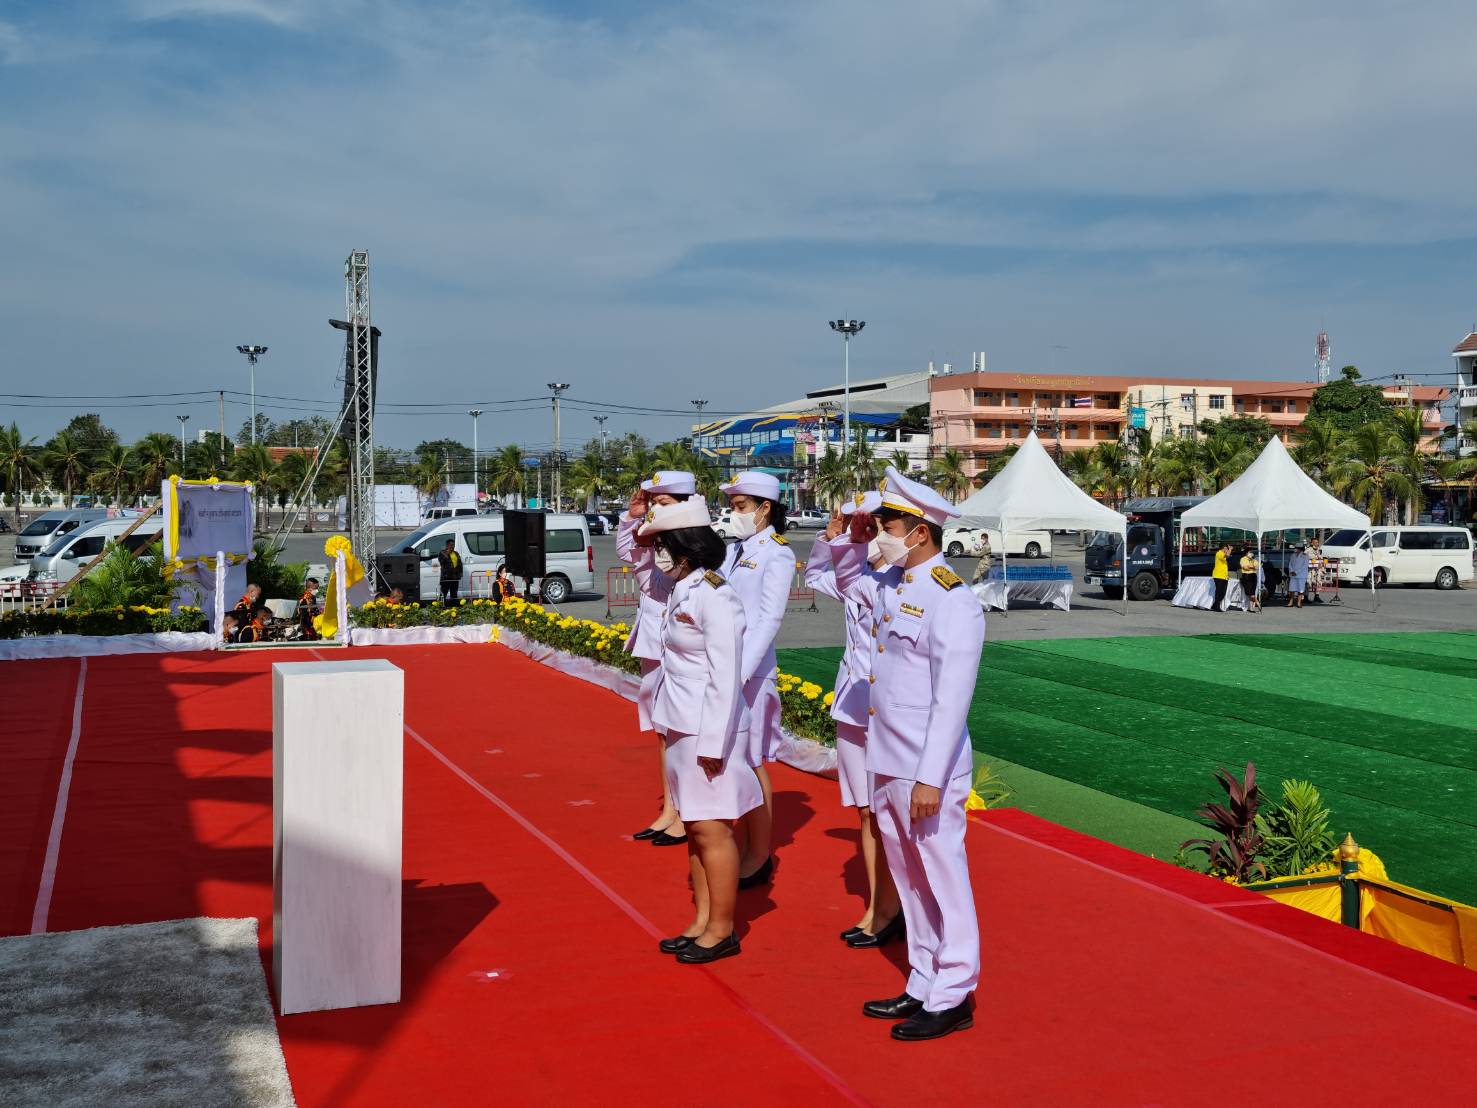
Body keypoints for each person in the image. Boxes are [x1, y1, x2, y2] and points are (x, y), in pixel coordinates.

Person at [823, 466, 985, 1041]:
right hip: (886, 757)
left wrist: (931, 777)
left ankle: (955, 989)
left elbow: (951, 699)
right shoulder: (888, 584)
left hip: (925, 767)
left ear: (920, 531)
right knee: (908, 876)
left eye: (887, 523)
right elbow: (844, 579)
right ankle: (923, 978)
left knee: (942, 875)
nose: (879, 534)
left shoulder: (953, 600)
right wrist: (850, 532)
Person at [636, 495, 759, 965]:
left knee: (713, 830)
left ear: (686, 545)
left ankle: (723, 929)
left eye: (664, 544)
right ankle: (703, 919)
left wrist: (714, 743)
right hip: (680, 722)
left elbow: (726, 676)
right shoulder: (684, 588)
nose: (658, 554)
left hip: (710, 729)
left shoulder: (715, 594)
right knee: (695, 828)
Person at [805, 490, 902, 948]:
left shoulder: (907, 580)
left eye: (867, 524)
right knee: (865, 810)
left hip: (889, 707)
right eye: (855, 524)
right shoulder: (855, 573)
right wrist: (829, 539)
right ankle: (877, 906)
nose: (860, 532)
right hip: (852, 701)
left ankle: (897, 904)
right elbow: (815, 574)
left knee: (890, 813)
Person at [717, 470, 796, 888]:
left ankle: (760, 853)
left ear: (765, 508)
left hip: (751, 672)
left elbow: (769, 619)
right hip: (728, 668)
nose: (735, 513)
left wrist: (742, 670)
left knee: (753, 759)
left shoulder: (776, 553)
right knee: (735, 758)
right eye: (733, 506)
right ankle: (747, 842)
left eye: (741, 506)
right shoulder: (735, 551)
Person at [618, 470, 699, 846]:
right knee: (662, 729)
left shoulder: (694, 541)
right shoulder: (656, 538)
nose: (654, 510)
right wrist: (631, 517)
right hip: (654, 641)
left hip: (681, 647)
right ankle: (671, 807)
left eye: (662, 504)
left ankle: (688, 811)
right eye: (653, 503)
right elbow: (627, 552)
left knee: (683, 731)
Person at [431, 538, 462, 604]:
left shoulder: (456, 553)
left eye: (453, 545)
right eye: (451, 545)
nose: (452, 546)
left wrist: (460, 574)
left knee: (454, 592)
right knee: (443, 592)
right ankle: (441, 605)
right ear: (447, 546)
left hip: (455, 577)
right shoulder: (442, 553)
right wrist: (447, 554)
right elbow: (441, 562)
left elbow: (460, 564)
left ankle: (453, 605)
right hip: (446, 577)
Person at [1287, 544, 1310, 608]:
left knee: (1301, 589)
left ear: (1300, 549)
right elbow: (1290, 564)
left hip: (1301, 575)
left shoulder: (1305, 556)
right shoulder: (1293, 555)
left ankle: (1299, 603)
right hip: (1293, 575)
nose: (1295, 549)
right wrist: (1291, 571)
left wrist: (1296, 572)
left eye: (1297, 548)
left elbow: (1304, 566)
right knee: (1292, 589)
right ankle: (1291, 602)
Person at [1211, 542, 1231, 612]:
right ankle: (1217, 607)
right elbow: (1228, 555)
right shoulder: (1219, 553)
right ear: (1223, 548)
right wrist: (1230, 549)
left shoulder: (1224, 554)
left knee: (1223, 592)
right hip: (1218, 576)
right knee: (1219, 592)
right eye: (1226, 548)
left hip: (1224, 576)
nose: (1227, 550)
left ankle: (1214, 605)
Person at [1238, 548, 1260, 613]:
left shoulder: (1254, 560)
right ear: (1246, 553)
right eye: (1250, 552)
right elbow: (1245, 567)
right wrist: (1252, 567)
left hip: (1253, 576)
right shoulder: (1243, 559)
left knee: (1253, 592)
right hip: (1246, 576)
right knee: (1249, 592)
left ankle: (1251, 608)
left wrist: (1251, 565)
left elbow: (1257, 566)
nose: (1251, 553)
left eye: (1252, 552)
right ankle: (1257, 603)